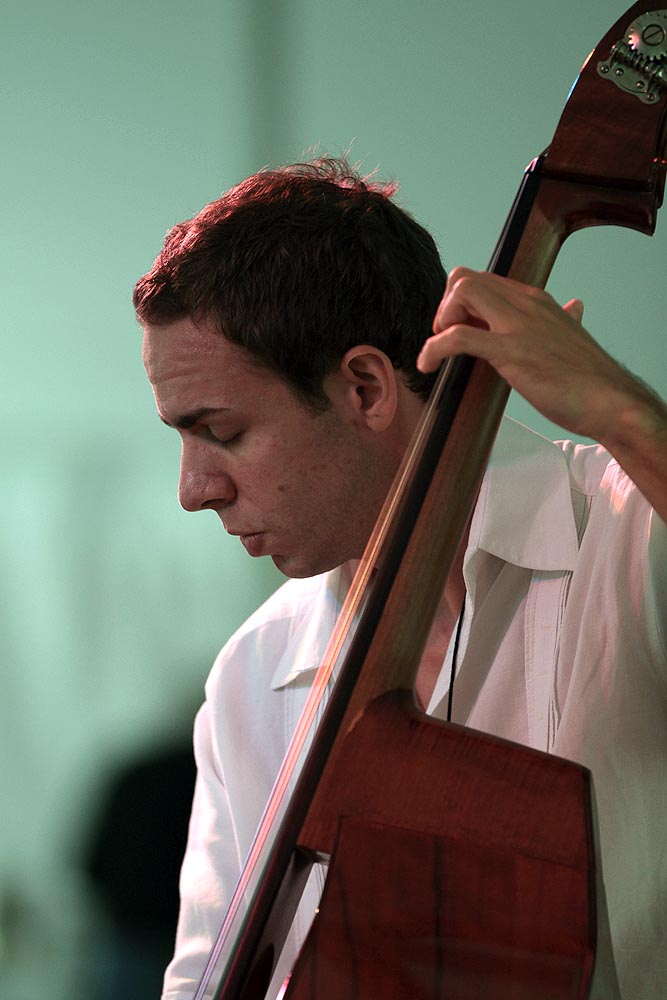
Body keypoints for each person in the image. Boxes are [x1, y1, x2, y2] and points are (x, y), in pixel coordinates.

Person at [133, 158, 667, 1000]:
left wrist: (622, 411)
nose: (194, 490)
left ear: (365, 387)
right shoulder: (252, 672)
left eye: (222, 432)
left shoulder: (627, 528)